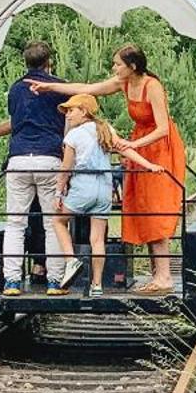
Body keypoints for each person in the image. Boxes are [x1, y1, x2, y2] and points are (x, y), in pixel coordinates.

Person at [30, 44, 187, 294]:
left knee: (156, 209)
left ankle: (165, 276)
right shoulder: (123, 83)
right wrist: (50, 86)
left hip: (159, 146)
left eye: (117, 64)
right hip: (139, 144)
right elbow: (87, 88)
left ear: (132, 66)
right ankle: (158, 274)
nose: (114, 68)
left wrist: (134, 143)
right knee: (141, 206)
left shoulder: (152, 86)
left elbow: (163, 128)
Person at [0, 40, 75, 295]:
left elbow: (14, 122)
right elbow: (69, 121)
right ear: (49, 62)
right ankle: (54, 282)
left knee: (15, 223)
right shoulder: (60, 87)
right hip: (48, 158)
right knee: (53, 223)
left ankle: (12, 282)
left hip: (18, 159)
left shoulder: (16, 89)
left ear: (25, 62)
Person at [48, 93, 162, 297]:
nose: (67, 115)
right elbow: (125, 149)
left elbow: (66, 168)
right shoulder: (106, 129)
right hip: (104, 188)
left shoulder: (73, 136)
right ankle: (97, 285)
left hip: (84, 186)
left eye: (71, 110)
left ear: (84, 111)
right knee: (98, 239)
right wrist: (149, 165)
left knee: (57, 220)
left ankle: (71, 261)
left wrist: (58, 192)